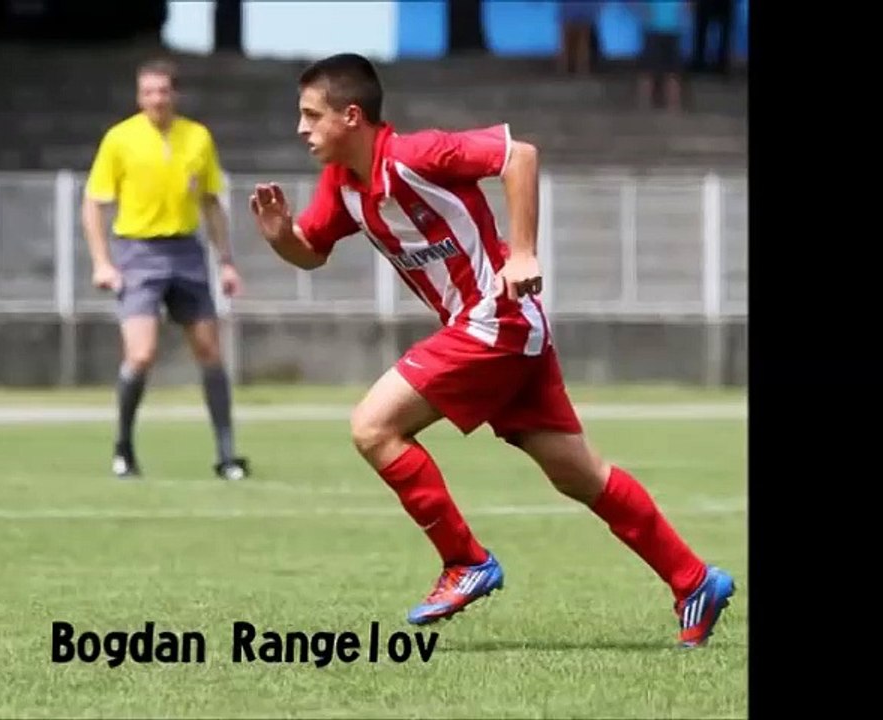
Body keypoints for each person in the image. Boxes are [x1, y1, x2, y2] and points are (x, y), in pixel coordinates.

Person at [247, 53, 733, 648]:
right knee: (580, 475)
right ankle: (693, 580)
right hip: (500, 328)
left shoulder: (415, 155)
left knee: (374, 427)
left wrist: (522, 251)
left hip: (496, 320)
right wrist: (281, 241)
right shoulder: (343, 186)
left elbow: (517, 155)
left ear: (352, 116)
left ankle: (465, 561)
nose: (302, 129)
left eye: (311, 115)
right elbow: (311, 251)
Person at [82, 58, 249, 481]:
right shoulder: (120, 138)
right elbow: (94, 203)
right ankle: (123, 448)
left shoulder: (198, 138)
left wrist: (226, 261)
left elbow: (211, 202)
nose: (156, 98)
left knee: (210, 352)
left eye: (163, 91)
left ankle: (226, 454)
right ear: (140, 97)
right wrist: (102, 262)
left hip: (187, 252)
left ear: (175, 94)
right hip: (138, 252)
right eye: (148, 92)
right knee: (141, 354)